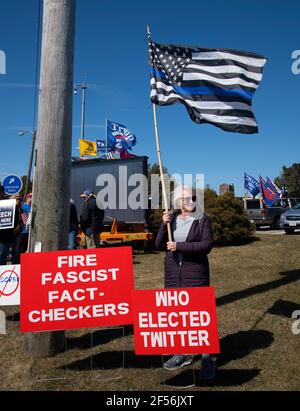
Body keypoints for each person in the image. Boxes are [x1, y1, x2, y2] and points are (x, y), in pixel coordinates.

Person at [155, 185, 216, 380]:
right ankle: (183, 353)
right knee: (179, 316)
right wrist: (162, 225)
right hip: (173, 274)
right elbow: (158, 244)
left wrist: (179, 245)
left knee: (200, 315)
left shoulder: (202, 219)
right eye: (184, 199)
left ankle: (207, 357)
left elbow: (206, 245)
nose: (188, 202)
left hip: (195, 274)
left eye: (191, 198)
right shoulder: (171, 219)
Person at [0, 186, 21, 265]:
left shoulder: (9, 204)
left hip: (4, 237)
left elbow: (15, 221)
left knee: (2, 256)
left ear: (2, 193)